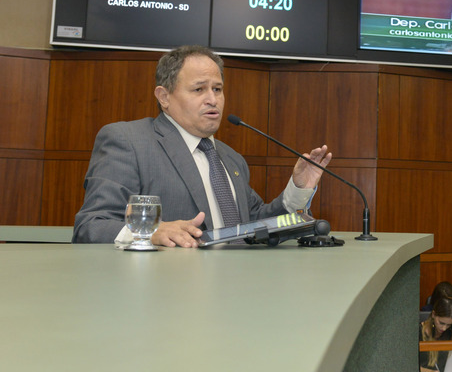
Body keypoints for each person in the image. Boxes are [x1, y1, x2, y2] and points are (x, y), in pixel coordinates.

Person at [72, 45, 332, 246]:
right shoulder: (129, 141)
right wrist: (151, 231)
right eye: (199, 90)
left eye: (217, 89)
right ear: (164, 96)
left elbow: (256, 225)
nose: (212, 100)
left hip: (242, 286)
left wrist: (299, 189)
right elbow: (91, 226)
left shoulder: (231, 158)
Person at [420, 297, 452, 372]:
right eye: (441, 323)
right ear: (433, 314)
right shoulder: (417, 334)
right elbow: (407, 365)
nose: (444, 328)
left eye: (448, 325)